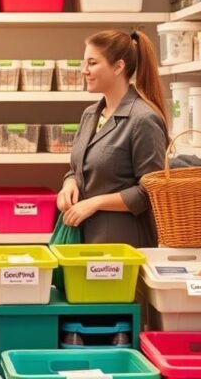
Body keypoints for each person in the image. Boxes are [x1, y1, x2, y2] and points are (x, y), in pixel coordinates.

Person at [57, 29, 169, 246]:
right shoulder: (90, 114)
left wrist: (95, 203)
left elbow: (151, 191)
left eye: (92, 63)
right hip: (84, 238)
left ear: (118, 67)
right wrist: (69, 183)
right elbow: (78, 168)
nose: (84, 71)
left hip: (122, 243)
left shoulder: (143, 119)